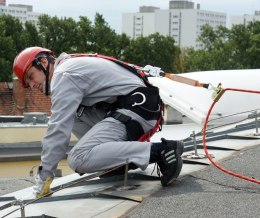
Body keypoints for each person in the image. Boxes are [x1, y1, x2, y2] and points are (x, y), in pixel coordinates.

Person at [13, 47, 184, 198]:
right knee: (74, 114)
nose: (32, 84)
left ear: (43, 62)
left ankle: (162, 150)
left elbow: (58, 130)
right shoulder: (69, 66)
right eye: (28, 83)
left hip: (135, 109)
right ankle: (117, 163)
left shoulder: (63, 75)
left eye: (31, 76)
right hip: (136, 108)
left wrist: (44, 178)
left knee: (78, 158)